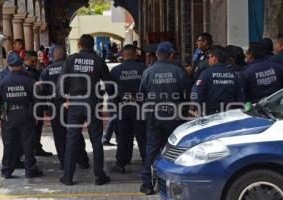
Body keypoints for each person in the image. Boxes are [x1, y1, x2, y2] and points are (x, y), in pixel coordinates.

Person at [58, 34, 111, 186]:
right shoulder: (98, 60)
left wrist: (63, 100)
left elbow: (62, 81)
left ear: (80, 45)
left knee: (72, 139)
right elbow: (108, 84)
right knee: (96, 140)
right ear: (92, 45)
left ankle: (68, 177)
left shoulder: (71, 60)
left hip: (75, 104)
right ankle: (99, 176)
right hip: (92, 103)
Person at [139, 42, 190, 195]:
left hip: (154, 116)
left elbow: (141, 96)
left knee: (152, 149)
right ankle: (174, 184)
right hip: (174, 116)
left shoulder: (148, 72)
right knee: (175, 150)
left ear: (156, 54)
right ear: (172, 54)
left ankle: (148, 184)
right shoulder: (178, 71)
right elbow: (187, 95)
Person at [0, 52, 43, 179]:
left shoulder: (2, 81)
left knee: (9, 144)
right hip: (25, 115)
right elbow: (36, 100)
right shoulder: (29, 79)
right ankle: (30, 170)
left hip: (8, 117)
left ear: (9, 65)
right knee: (28, 144)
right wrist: (36, 115)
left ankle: (6, 170)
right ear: (21, 64)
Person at [39, 47, 90, 170]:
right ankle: (82, 160)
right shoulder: (72, 67)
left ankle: (64, 163)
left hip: (55, 106)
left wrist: (45, 107)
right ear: (66, 55)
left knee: (59, 135)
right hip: (72, 104)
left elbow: (41, 90)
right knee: (75, 133)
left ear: (53, 56)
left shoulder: (46, 70)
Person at [109, 44, 147, 173]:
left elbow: (109, 90)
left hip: (122, 107)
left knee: (123, 137)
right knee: (142, 135)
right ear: (135, 54)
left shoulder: (115, 71)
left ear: (123, 55)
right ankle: (146, 161)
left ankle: (121, 163)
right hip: (140, 106)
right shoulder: (143, 68)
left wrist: (117, 101)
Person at [192, 45, 244, 115]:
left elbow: (196, 92)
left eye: (209, 57)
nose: (208, 60)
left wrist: (197, 107)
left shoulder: (206, 74)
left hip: (211, 114)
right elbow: (241, 97)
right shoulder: (233, 75)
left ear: (214, 58)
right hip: (230, 114)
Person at [24, 51, 53, 157]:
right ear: (25, 60)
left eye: (36, 61)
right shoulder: (25, 73)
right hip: (31, 105)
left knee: (38, 128)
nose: (34, 63)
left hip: (39, 103)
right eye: (32, 61)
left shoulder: (36, 71)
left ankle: (37, 148)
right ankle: (30, 151)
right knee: (31, 129)